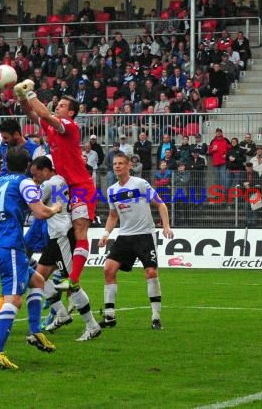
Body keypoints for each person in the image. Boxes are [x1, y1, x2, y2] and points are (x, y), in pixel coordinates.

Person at [0, 148, 62, 370]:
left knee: (37, 281)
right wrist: (55, 207)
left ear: (5, 163)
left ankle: (35, 331)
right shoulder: (24, 182)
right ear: (27, 164)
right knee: (14, 299)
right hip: (11, 249)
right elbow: (41, 213)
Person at [14, 80, 96, 291]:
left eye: (61, 105)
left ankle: (74, 278)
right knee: (65, 232)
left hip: (81, 185)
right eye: (57, 104)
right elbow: (32, 114)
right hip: (65, 186)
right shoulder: (52, 128)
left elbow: (43, 114)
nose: (57, 106)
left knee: (79, 229)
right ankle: (65, 277)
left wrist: (30, 93)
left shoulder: (70, 126)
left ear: (71, 113)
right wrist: (22, 98)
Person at [29, 156, 102, 341]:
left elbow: (35, 210)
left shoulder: (47, 185)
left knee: (72, 283)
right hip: (56, 236)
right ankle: (61, 314)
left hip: (62, 236)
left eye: (36, 174)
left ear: (46, 170)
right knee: (38, 278)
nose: (35, 178)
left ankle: (92, 326)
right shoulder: (62, 179)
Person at [98, 152, 174, 330]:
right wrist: (105, 233)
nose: (117, 166)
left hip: (144, 235)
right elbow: (113, 215)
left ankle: (156, 317)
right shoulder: (112, 190)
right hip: (125, 236)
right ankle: (109, 316)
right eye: (115, 164)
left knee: (151, 273)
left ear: (128, 166)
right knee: (108, 269)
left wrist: (166, 226)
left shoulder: (140, 184)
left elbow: (161, 204)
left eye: (120, 163)